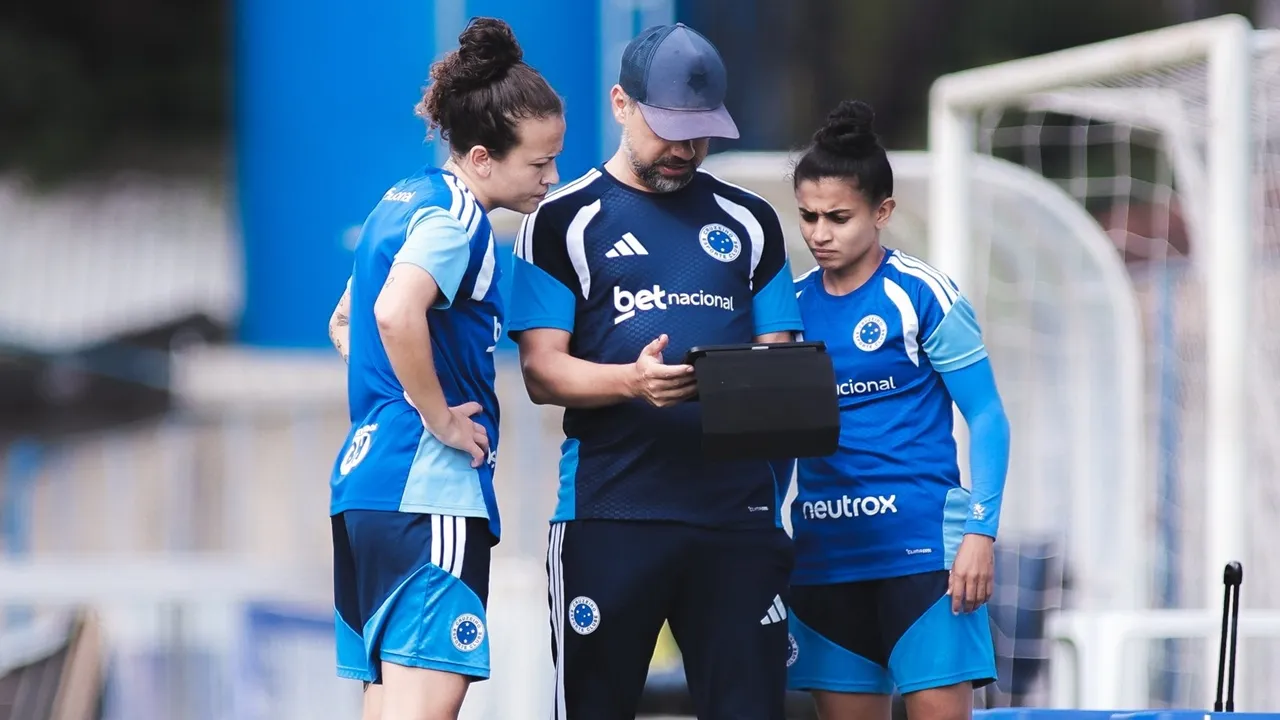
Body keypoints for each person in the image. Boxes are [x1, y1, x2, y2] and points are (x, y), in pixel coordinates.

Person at [505, 22, 804, 720]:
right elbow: (542, 372)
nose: (686, 148)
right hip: (611, 517)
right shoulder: (561, 220)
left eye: (701, 131)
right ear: (620, 104)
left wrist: (756, 381)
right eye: (670, 127)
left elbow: (782, 361)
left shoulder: (752, 220)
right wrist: (631, 382)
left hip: (738, 523)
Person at [325, 17, 564, 720]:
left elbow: (347, 318)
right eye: (539, 164)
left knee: (388, 704)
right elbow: (396, 315)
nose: (552, 179)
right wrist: (436, 416)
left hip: (366, 489)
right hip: (428, 493)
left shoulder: (402, 198)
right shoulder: (459, 218)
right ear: (485, 157)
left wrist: (392, 389)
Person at [783, 99, 1011, 720]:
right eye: (807, 216)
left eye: (838, 217)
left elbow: (987, 417)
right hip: (825, 561)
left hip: (924, 560)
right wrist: (769, 534)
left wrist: (980, 535)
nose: (820, 233)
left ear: (882, 212)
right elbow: (776, 438)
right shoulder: (788, 310)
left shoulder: (921, 293)